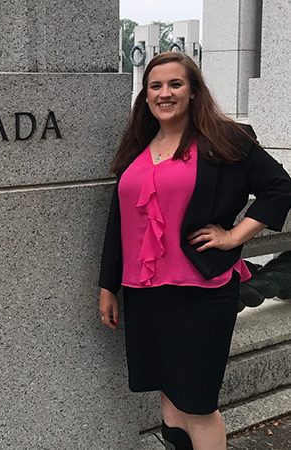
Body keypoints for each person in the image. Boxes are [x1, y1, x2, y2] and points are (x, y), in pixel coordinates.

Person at [98, 52, 291, 450]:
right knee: (168, 396)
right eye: (155, 86)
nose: (164, 93)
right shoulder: (138, 145)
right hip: (145, 293)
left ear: (193, 92)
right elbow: (120, 222)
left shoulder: (223, 139)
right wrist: (107, 286)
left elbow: (280, 186)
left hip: (201, 291)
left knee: (198, 404)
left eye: (175, 84)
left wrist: (235, 236)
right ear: (145, 95)